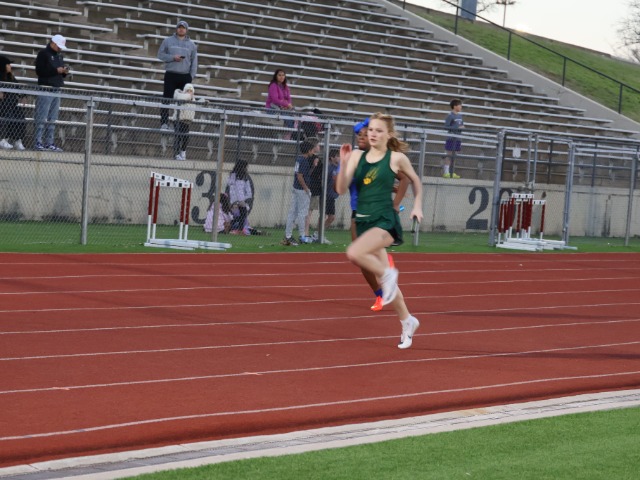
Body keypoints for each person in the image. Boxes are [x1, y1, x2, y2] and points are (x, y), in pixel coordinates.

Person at [336, 113, 423, 349]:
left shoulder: (396, 158)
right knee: (388, 285)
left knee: (355, 253)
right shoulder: (356, 156)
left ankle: (387, 275)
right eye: (369, 131)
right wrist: (343, 163)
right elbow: (341, 189)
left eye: (376, 130)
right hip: (362, 220)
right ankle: (407, 321)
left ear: (388, 134)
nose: (371, 134)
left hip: (384, 220)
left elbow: (414, 180)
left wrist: (416, 206)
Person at [158, 20, 198, 130]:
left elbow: (194, 62)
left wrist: (191, 76)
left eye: (183, 28)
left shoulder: (192, 45)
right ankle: (164, 123)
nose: (181, 29)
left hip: (184, 76)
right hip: (171, 74)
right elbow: (160, 55)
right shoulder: (167, 41)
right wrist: (172, 58)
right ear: (176, 29)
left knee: (183, 102)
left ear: (186, 30)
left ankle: (179, 125)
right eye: (179, 27)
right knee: (166, 99)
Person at [34, 34, 69, 152]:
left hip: (56, 88)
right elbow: (39, 71)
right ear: (53, 43)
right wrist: (56, 70)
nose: (59, 49)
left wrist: (63, 72)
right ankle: (38, 141)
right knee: (42, 116)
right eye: (58, 46)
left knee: (52, 118)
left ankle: (49, 142)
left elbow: (59, 72)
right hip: (46, 88)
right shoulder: (43, 53)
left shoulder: (59, 56)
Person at [282, 139, 319, 246]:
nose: (313, 152)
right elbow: (300, 176)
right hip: (301, 190)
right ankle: (302, 236)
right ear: (308, 150)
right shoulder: (304, 161)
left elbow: (304, 174)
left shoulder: (300, 159)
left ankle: (288, 236)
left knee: (292, 212)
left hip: (296, 188)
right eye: (312, 150)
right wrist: (306, 189)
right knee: (303, 213)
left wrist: (313, 166)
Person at [0, 56, 26, 151]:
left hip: (11, 104)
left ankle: (17, 140)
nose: (10, 66)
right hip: (3, 105)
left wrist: (23, 96)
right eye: (8, 64)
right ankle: (3, 139)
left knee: (20, 117)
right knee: (8, 115)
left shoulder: (10, 76)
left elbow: (17, 87)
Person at [226, 159, 253, 234]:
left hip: (239, 198)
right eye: (245, 167)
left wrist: (244, 197)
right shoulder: (235, 175)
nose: (246, 168)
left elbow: (230, 184)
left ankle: (236, 228)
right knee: (242, 213)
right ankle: (237, 229)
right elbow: (230, 184)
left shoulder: (243, 176)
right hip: (237, 198)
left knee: (242, 214)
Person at [172, 83, 196, 161]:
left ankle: (183, 152)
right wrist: (189, 96)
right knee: (178, 137)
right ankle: (176, 154)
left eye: (191, 91)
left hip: (186, 121)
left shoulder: (192, 99)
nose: (189, 92)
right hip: (178, 120)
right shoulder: (180, 95)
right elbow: (180, 97)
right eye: (188, 90)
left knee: (186, 138)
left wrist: (204, 101)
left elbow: (198, 105)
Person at [443, 98, 464, 179]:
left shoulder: (460, 116)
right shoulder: (450, 116)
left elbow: (461, 125)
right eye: (459, 105)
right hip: (451, 138)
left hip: (458, 138)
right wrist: (457, 127)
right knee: (449, 155)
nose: (461, 107)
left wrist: (462, 127)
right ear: (455, 106)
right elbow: (446, 127)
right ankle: (446, 172)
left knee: (454, 156)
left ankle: (451, 172)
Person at [304, 151, 322, 240]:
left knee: (309, 212)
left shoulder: (320, 166)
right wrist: (313, 166)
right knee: (308, 213)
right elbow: (308, 174)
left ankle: (306, 233)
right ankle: (305, 233)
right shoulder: (309, 166)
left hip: (315, 190)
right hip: (310, 190)